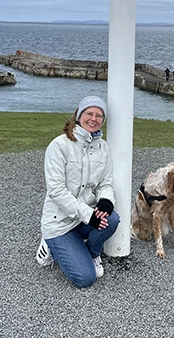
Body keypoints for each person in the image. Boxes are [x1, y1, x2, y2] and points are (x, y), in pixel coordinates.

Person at [36, 95, 120, 287]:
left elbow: (105, 183)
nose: (94, 118)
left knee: (112, 219)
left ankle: (91, 253)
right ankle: (50, 243)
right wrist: (89, 215)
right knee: (85, 278)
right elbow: (56, 191)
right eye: (89, 113)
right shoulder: (59, 145)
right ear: (78, 115)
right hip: (60, 222)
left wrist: (106, 201)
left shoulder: (103, 148)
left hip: (85, 217)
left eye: (99, 115)